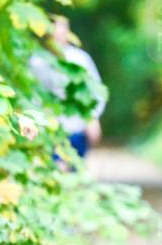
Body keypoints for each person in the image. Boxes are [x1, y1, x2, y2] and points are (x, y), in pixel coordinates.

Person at [29, 16, 106, 160]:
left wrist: (93, 118)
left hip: (77, 128)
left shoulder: (80, 59)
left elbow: (96, 92)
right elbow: (32, 95)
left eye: (62, 31)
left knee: (76, 169)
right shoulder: (37, 61)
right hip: (49, 130)